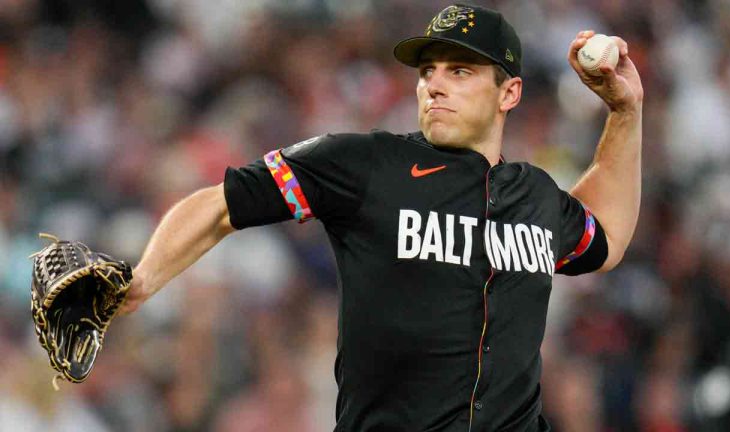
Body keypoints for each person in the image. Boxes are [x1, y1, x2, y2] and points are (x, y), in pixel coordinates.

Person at [120, 4, 643, 431]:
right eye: (427, 71)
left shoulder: (535, 195)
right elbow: (220, 204)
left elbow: (608, 236)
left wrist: (625, 113)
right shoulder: (364, 163)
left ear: (509, 92)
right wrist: (143, 280)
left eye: (459, 71)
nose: (434, 85)